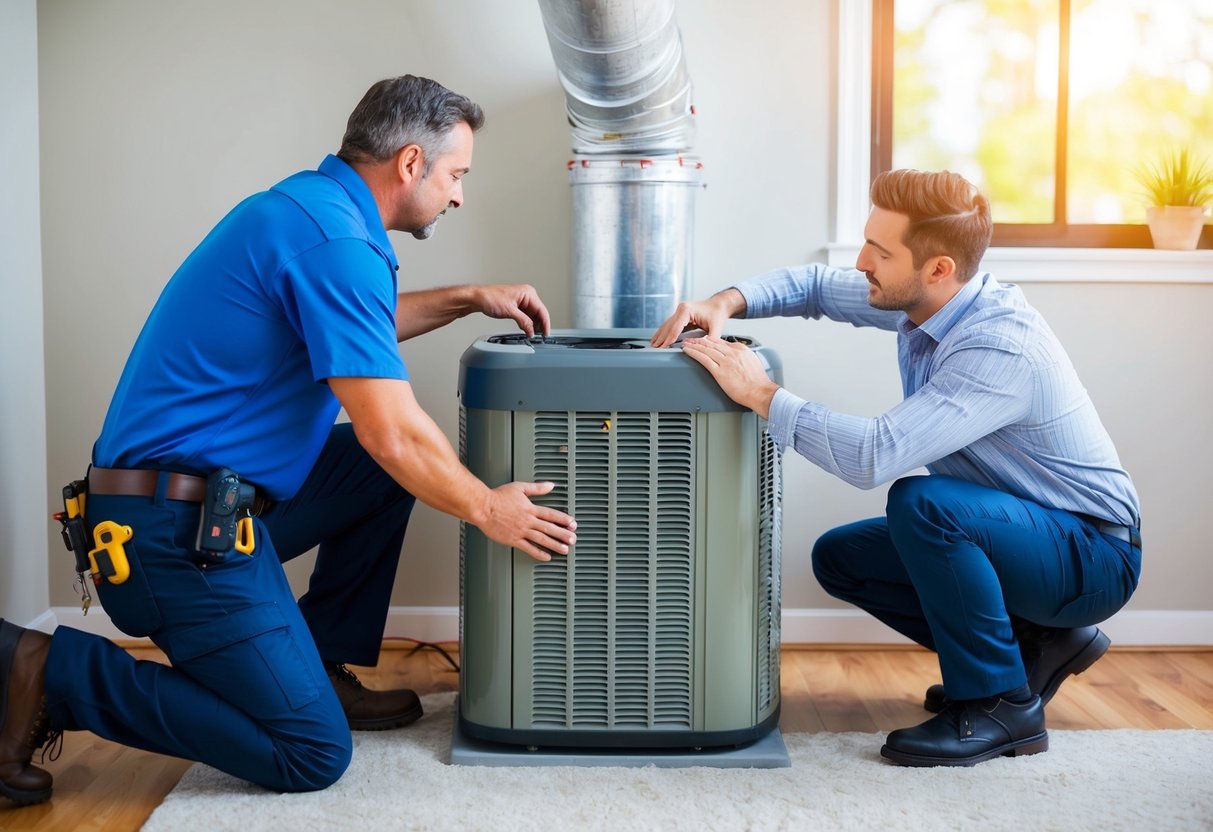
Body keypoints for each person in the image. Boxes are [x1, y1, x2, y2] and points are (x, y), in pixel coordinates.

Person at [0, 74, 577, 805]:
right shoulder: (336, 241)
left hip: (204, 504)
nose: (459, 195)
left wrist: (467, 297)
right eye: (456, 175)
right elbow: (390, 432)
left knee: (375, 476)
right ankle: (43, 666)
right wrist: (488, 509)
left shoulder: (311, 212)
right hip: (170, 538)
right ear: (409, 164)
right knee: (308, 752)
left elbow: (350, 326)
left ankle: (321, 661)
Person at [650, 168, 1142, 767]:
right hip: (1029, 535)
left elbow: (874, 455)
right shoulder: (929, 300)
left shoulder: (996, 345)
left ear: (937, 268)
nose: (860, 261)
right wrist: (723, 301)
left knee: (924, 506)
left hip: (1090, 553)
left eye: (879, 251)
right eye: (865, 241)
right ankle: (1030, 649)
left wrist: (762, 395)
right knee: (842, 559)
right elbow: (812, 285)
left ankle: (999, 705)